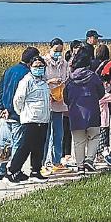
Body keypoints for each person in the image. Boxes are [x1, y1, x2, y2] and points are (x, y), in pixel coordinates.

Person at [0, 46, 40, 182]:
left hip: (6, 111)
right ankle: (13, 170)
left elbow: (1, 89)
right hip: (18, 113)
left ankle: (1, 170)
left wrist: (1, 107)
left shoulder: (9, 70)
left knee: (5, 143)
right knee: (17, 143)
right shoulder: (27, 75)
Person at [7, 55, 52, 184]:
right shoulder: (26, 81)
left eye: (41, 66)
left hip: (43, 119)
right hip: (30, 118)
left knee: (39, 146)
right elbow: (18, 100)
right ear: (30, 67)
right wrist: (22, 112)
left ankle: (36, 171)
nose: (39, 68)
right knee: (25, 146)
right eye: (36, 66)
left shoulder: (44, 81)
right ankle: (12, 171)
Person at [64, 47, 105, 174]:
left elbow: (65, 97)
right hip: (92, 111)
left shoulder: (70, 79)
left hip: (75, 113)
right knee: (94, 136)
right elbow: (101, 93)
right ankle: (90, 159)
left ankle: (80, 167)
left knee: (78, 141)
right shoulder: (93, 77)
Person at [44, 38, 70, 173]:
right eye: (56, 50)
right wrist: (50, 81)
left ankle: (57, 160)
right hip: (47, 101)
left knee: (59, 133)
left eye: (60, 50)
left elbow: (68, 78)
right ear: (50, 48)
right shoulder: (44, 62)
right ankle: (43, 162)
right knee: (46, 134)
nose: (58, 53)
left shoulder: (64, 63)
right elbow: (39, 81)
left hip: (59, 100)